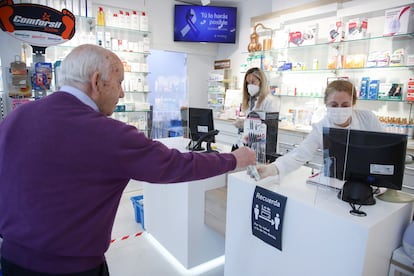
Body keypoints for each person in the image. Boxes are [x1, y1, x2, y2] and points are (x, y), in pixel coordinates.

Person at [0, 44, 256, 275]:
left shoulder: (16, 117)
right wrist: (232, 159)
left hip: (10, 260)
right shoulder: (107, 134)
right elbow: (176, 165)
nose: (122, 94)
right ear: (97, 81)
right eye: (119, 82)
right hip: (72, 268)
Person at [252, 79, 384, 181]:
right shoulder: (322, 127)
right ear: (326, 104)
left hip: (368, 182)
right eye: (334, 105)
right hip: (333, 182)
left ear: (353, 103)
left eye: (345, 105)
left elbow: (384, 150)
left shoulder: (367, 118)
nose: (339, 109)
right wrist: (271, 169)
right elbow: (299, 155)